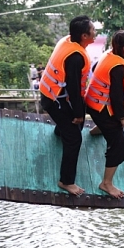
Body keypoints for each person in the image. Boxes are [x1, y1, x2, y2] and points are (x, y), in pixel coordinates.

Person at [39, 15, 96, 196]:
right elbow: (72, 87)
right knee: (74, 138)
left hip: (52, 92)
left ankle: (60, 130)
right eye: (93, 30)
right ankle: (66, 181)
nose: (95, 32)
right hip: (54, 98)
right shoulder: (75, 57)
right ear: (84, 36)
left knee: (73, 124)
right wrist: (79, 114)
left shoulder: (68, 41)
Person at [84, 30, 124, 199]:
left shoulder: (109, 55)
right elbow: (116, 96)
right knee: (120, 145)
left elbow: (94, 69)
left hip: (91, 103)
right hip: (100, 108)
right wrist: (122, 117)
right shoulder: (119, 66)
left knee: (117, 117)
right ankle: (106, 183)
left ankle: (99, 128)